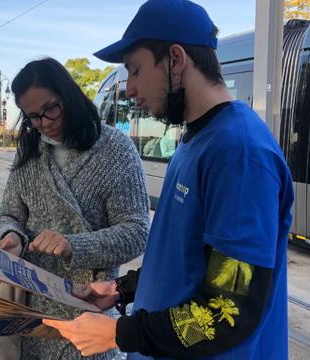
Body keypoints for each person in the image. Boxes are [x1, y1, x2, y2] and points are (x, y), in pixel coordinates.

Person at [43, 1, 294, 360]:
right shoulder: (196, 137)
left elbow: (227, 311)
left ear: (175, 59)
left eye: (135, 70)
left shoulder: (239, 154)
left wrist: (121, 333)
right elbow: (185, 256)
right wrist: (121, 288)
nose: (129, 88)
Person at [0, 57, 151, 360]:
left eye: (51, 108)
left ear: (70, 95)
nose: (45, 122)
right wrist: (11, 236)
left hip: (88, 319)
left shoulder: (115, 148)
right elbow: (7, 213)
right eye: (33, 116)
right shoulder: (30, 150)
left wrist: (72, 245)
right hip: (28, 317)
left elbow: (137, 232)